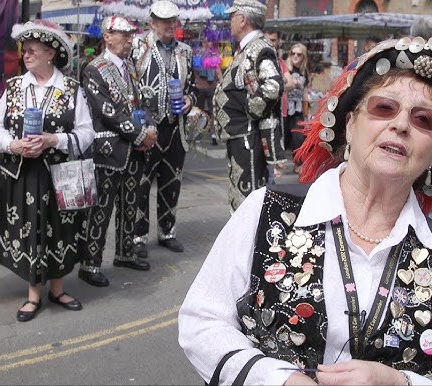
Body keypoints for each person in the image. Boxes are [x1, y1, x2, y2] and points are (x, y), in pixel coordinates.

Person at [179, 36, 432, 385]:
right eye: (384, 108)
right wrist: (277, 380)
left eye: (423, 119)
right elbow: (202, 320)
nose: (402, 125)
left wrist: (397, 383)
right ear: (349, 123)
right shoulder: (267, 211)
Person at [0, 20, 94, 321]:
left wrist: (53, 140)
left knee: (61, 230)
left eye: (33, 51)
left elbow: (87, 134)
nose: (26, 56)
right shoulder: (15, 87)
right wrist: (14, 145)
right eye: (25, 50)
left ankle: (58, 290)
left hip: (61, 175)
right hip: (24, 174)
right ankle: (33, 295)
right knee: (29, 229)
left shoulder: (72, 89)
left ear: (50, 53)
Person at [78, 15, 158, 286]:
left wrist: (149, 128)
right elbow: (107, 111)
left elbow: (141, 102)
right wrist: (140, 135)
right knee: (101, 208)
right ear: (107, 37)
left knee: (130, 203)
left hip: (133, 149)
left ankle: (124, 253)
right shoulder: (94, 68)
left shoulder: (131, 67)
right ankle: (90, 264)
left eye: (130, 35)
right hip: (107, 149)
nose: (128, 40)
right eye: (122, 35)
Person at [130, 1, 197, 259]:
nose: (170, 25)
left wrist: (190, 100)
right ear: (152, 23)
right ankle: (138, 235)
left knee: (172, 181)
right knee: (142, 182)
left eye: (173, 21)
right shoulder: (139, 47)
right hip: (148, 126)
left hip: (175, 127)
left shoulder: (185, 51)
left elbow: (191, 86)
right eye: (164, 21)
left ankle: (167, 232)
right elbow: (131, 85)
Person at [213, 0, 285, 212]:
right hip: (241, 136)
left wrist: (248, 111)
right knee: (241, 194)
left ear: (243, 19)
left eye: (232, 17)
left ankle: (249, 242)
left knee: (248, 196)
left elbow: (272, 86)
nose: (229, 22)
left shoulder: (259, 48)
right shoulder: (248, 49)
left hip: (249, 136)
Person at [263, 28, 293, 179]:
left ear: (278, 42)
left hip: (281, 109)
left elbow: (291, 83)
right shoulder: (260, 60)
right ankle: (271, 168)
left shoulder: (280, 62)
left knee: (278, 138)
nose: (270, 43)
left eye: (273, 40)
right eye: (267, 39)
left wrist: (278, 85)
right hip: (265, 110)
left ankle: (274, 166)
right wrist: (281, 82)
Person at [285, 43, 311, 173]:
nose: (295, 56)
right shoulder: (285, 68)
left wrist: (307, 114)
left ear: (303, 57)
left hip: (298, 108)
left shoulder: (304, 71)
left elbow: (306, 92)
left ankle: (298, 163)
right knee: (282, 137)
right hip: (284, 108)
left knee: (298, 136)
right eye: (293, 53)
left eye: (299, 54)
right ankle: (275, 165)